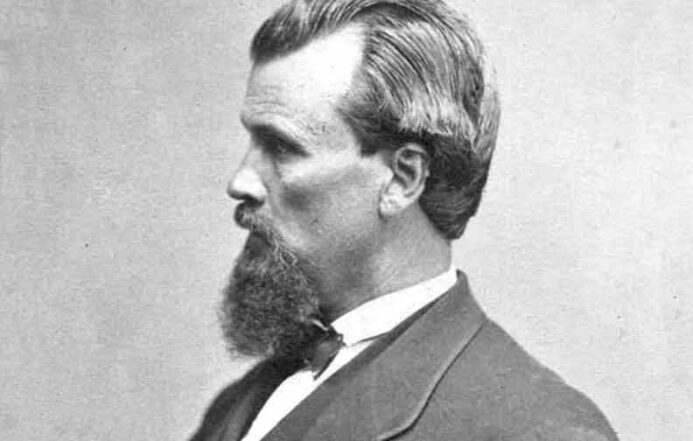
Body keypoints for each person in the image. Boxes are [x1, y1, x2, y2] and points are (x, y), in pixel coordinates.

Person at [190, 0, 619, 440]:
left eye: (282, 148)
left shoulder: (540, 429)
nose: (240, 182)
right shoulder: (246, 400)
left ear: (402, 178)